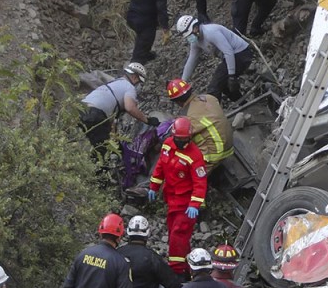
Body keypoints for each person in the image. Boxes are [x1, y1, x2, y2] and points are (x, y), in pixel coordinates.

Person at [148, 117, 208, 276]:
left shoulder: (195, 156)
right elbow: (161, 166)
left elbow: (200, 183)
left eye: (184, 139)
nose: (182, 142)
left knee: (178, 233)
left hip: (186, 204)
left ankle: (176, 269)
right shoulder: (168, 145)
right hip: (171, 199)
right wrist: (154, 186)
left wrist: (194, 204)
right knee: (178, 235)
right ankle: (189, 267)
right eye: (179, 139)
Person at [79, 63, 160, 160]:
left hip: (80, 110)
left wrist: (116, 143)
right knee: (102, 153)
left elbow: (110, 122)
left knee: (81, 143)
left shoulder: (113, 84)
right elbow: (130, 107)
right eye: (139, 82)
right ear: (134, 77)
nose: (138, 85)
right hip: (95, 114)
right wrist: (147, 120)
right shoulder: (129, 87)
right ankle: (97, 172)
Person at [176, 15, 253, 103]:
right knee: (223, 84)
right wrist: (183, 82)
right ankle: (243, 104)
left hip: (241, 54)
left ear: (196, 27)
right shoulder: (195, 41)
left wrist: (232, 76)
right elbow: (192, 60)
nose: (189, 38)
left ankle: (213, 114)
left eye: (190, 34)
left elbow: (228, 52)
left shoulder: (210, 32)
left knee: (214, 87)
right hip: (231, 56)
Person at [166, 78, 234, 172]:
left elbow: (180, 141)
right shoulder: (209, 98)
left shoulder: (188, 117)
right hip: (229, 145)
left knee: (180, 176)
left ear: (176, 101)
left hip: (215, 154)